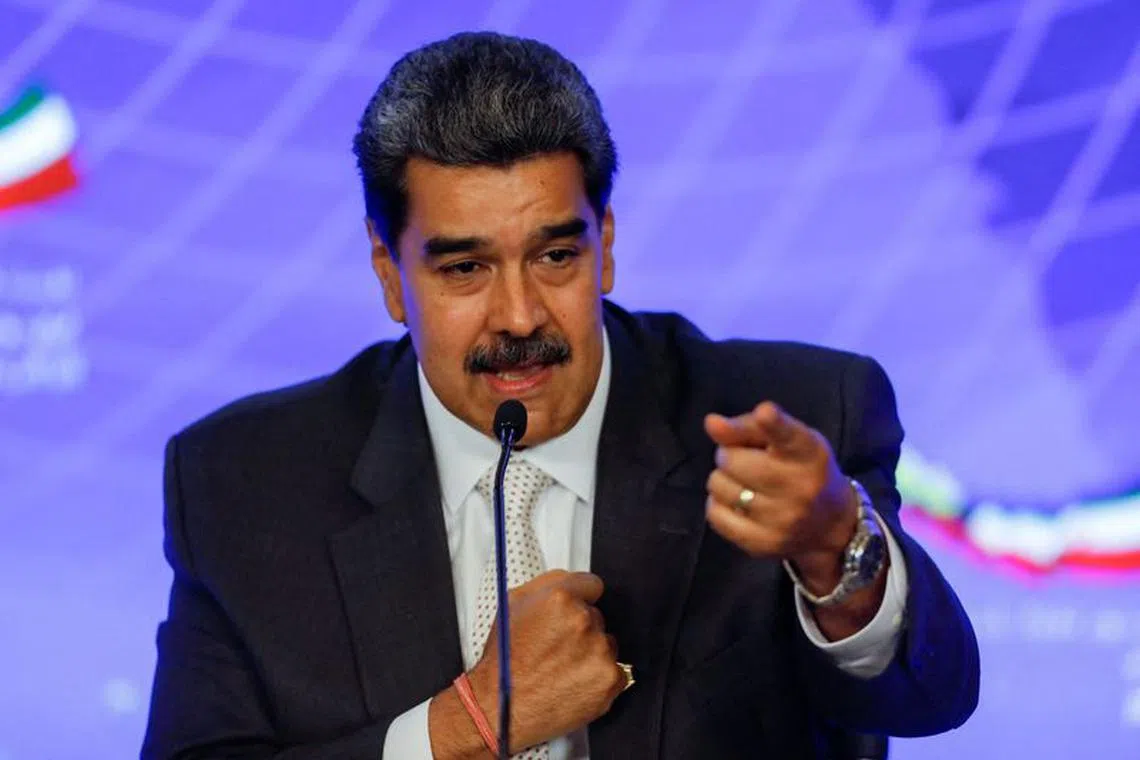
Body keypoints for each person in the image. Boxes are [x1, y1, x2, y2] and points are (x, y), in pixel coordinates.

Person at [142, 31, 979, 760]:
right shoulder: (244, 481)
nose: (519, 316)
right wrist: (459, 730)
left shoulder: (797, 416)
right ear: (388, 274)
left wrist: (838, 550)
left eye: (555, 257)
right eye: (464, 268)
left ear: (605, 245)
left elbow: (929, 698)